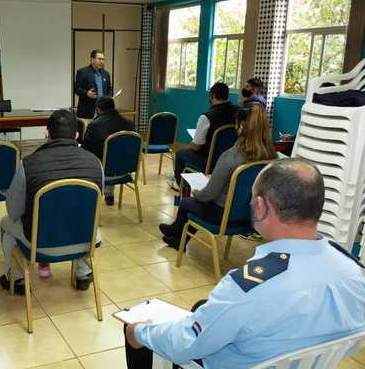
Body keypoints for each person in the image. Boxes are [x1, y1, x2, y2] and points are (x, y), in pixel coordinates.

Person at [125, 159, 365, 369]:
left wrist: (139, 332)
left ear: (260, 207)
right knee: (202, 307)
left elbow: (185, 344)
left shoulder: (247, 288)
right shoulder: (354, 272)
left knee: (136, 335)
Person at [0, 110, 103, 294]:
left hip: (41, 243)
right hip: (85, 240)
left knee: (5, 223)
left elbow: (14, 211)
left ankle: (17, 280)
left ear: (47, 133)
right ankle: (83, 274)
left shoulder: (28, 164)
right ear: (77, 135)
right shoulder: (95, 163)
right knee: (82, 216)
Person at [160, 105, 276, 250]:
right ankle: (177, 237)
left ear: (240, 126)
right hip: (252, 217)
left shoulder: (231, 156)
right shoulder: (272, 158)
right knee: (196, 204)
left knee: (187, 203)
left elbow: (209, 195)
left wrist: (196, 192)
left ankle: (177, 236)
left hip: (224, 216)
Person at [171, 82, 237, 191]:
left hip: (210, 161)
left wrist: (185, 147)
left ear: (211, 96)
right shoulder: (237, 113)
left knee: (180, 154)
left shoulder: (206, 117)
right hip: (232, 159)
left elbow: (196, 147)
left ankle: (181, 185)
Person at [82, 96, 134, 205]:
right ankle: (109, 195)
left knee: (94, 158)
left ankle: (85, 200)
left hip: (102, 171)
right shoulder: (130, 124)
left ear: (98, 109)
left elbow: (86, 150)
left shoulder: (94, 125)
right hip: (126, 170)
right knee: (112, 156)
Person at [75, 49, 113, 120]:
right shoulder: (82, 72)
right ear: (92, 59)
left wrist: (109, 97)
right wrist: (87, 93)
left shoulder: (106, 74)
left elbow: (108, 88)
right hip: (87, 111)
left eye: (103, 59)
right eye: (99, 59)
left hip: (103, 111)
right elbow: (77, 89)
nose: (102, 61)